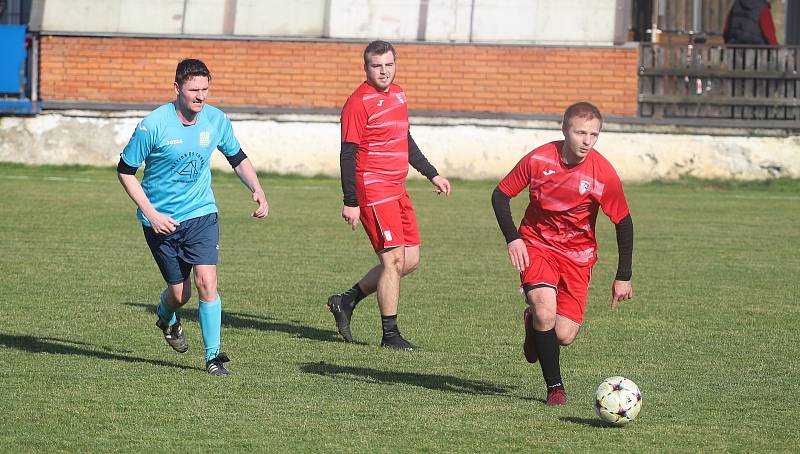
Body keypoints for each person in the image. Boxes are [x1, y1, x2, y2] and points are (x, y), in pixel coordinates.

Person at [117, 59, 269, 376]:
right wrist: (151, 214)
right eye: (193, 90)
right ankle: (167, 318)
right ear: (177, 89)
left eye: (205, 89)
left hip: (201, 214)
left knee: (206, 281)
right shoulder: (153, 125)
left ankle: (213, 358)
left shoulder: (215, 120)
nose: (200, 97)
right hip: (160, 221)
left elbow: (237, 157)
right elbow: (126, 172)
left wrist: (256, 188)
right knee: (179, 294)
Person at [491, 102, 634, 406]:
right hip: (537, 245)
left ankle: (532, 323)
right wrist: (513, 238)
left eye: (594, 134)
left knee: (564, 334)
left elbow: (623, 221)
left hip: (578, 257)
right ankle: (555, 388)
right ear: (564, 130)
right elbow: (500, 194)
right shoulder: (539, 159)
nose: (587, 141)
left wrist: (623, 276)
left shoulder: (603, 173)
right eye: (580, 132)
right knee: (546, 311)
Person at [326, 40, 451, 351]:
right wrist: (350, 201)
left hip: (398, 188)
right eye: (376, 66)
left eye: (388, 65)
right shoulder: (358, 102)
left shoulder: (398, 94)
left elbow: (404, 138)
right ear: (366, 67)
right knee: (394, 260)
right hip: (373, 189)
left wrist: (431, 172)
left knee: (409, 261)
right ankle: (390, 335)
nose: (383, 71)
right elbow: (347, 155)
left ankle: (347, 300)